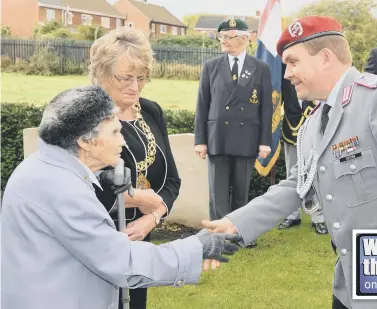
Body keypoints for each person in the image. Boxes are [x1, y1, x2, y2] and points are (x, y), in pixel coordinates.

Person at [201, 16, 377, 309]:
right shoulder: (316, 119)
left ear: (326, 58)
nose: (287, 73)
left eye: (293, 62)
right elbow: (297, 185)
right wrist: (235, 222)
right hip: (347, 284)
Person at [1, 86, 240, 309]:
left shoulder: (42, 165)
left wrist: (100, 176)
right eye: (115, 132)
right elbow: (121, 261)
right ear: (85, 141)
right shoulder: (64, 190)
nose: (123, 141)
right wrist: (197, 248)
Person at [88, 27, 181, 308]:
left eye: (142, 78)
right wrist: (138, 198)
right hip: (94, 239)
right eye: (125, 78)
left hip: (140, 239)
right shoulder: (84, 114)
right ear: (101, 73)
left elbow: (172, 180)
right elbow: (77, 182)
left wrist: (151, 219)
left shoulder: (151, 110)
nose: (135, 86)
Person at [194, 18, 273, 247]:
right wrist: (200, 140)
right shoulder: (211, 66)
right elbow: (202, 104)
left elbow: (266, 107)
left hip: (246, 136)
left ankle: (240, 232)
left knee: (241, 190)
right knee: (218, 192)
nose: (224, 41)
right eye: (222, 37)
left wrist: (264, 142)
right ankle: (219, 235)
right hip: (217, 136)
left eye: (228, 37)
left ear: (244, 39)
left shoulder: (260, 68)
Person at [278, 64, 327, 234]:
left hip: (314, 130)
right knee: (292, 173)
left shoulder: (315, 72)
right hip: (290, 130)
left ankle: (318, 217)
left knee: (316, 174)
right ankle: (292, 215)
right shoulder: (284, 75)